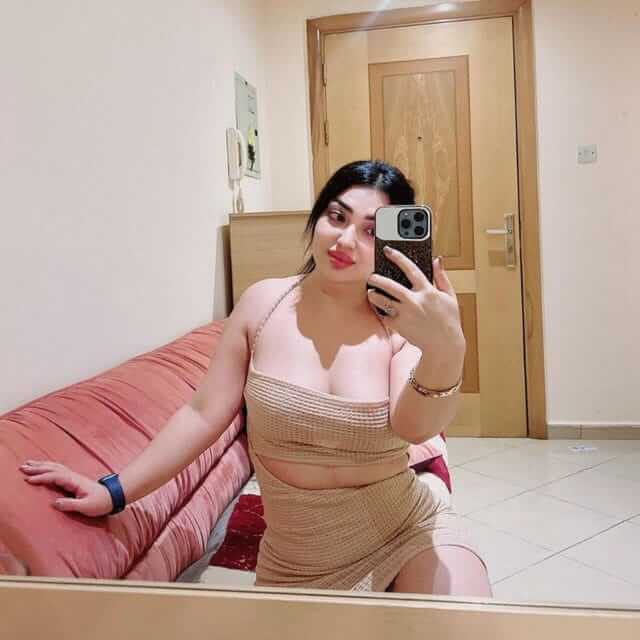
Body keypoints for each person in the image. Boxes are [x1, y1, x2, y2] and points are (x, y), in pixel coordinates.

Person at [20, 160, 491, 596]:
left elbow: (415, 427)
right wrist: (114, 491)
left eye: (370, 231)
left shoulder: (402, 321)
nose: (345, 240)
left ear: (392, 245)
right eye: (337, 216)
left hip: (404, 531)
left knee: (464, 624)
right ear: (316, 218)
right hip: (296, 562)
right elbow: (202, 414)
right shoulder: (263, 304)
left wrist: (446, 349)